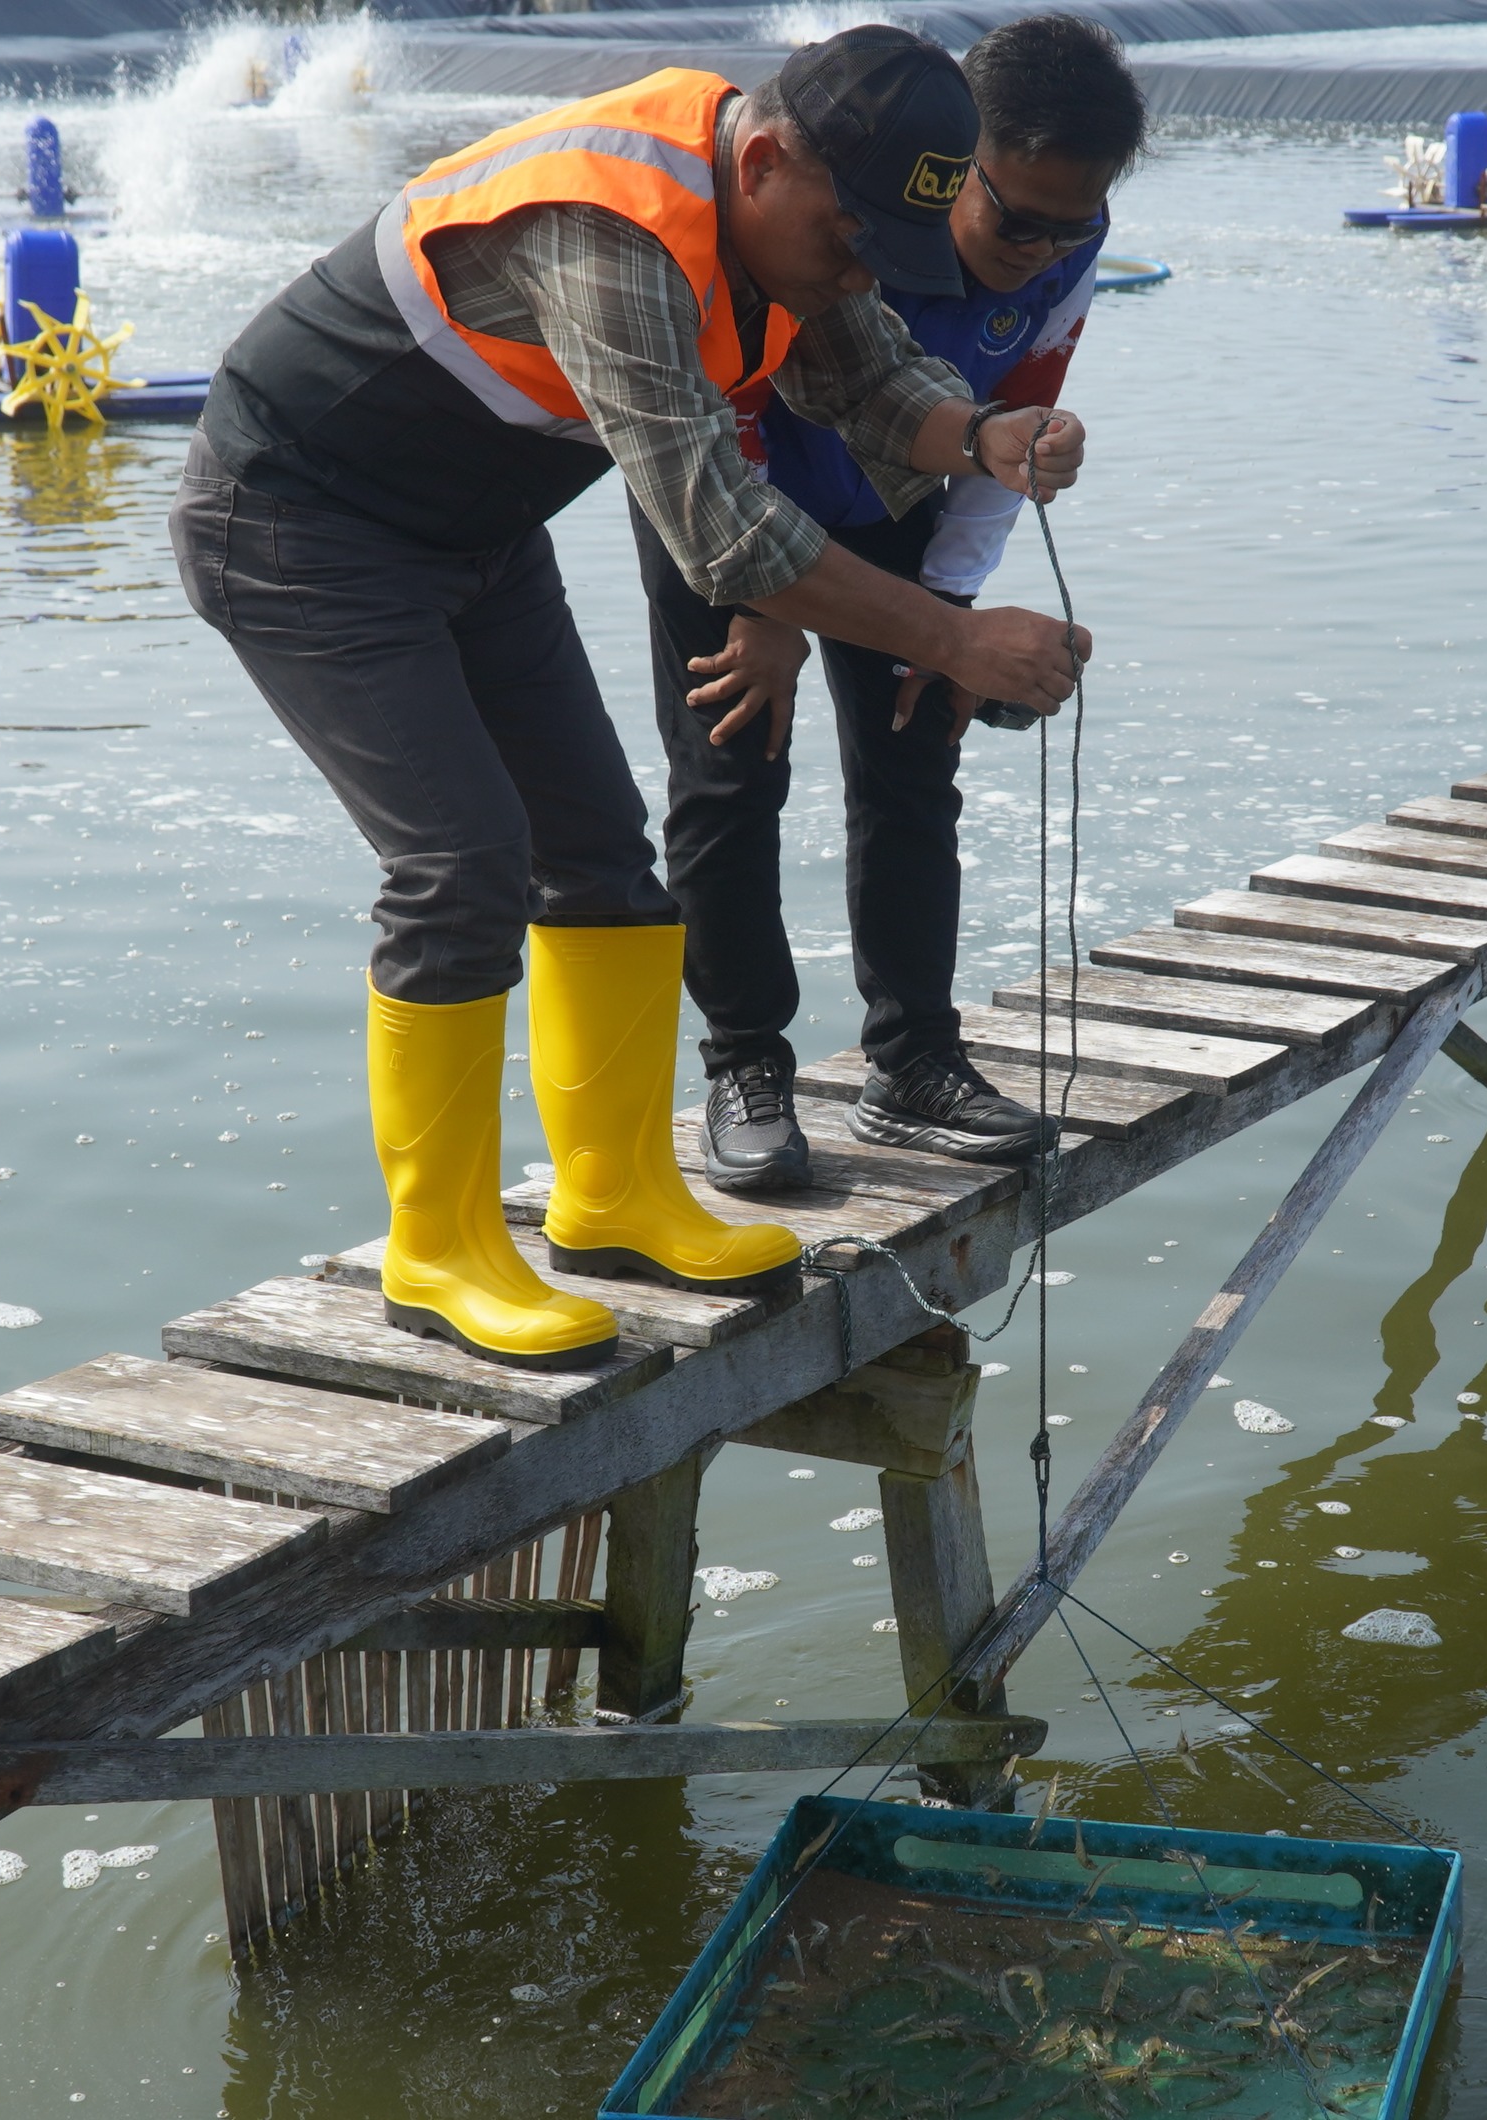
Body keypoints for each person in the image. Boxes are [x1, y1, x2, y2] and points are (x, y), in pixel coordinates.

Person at [169, 29, 1094, 1370]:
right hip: (298, 521)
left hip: (472, 529)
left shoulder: (792, 204)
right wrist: (951, 640)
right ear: (769, 162)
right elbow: (725, 535)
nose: (855, 275)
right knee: (462, 864)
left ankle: (611, 1197)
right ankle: (440, 1250)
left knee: (601, 860)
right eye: (849, 242)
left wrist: (980, 435)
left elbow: (865, 372)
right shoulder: (615, 237)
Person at [635, 15, 1148, 1193]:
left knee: (917, 754)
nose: (1038, 248)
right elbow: (727, 403)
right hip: (722, 478)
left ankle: (913, 1060)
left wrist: (950, 618)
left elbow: (1008, 420)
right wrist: (764, 609)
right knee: (732, 760)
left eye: (1070, 226)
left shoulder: (1068, 240)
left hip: (907, 485)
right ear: (948, 165)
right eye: (1012, 217)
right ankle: (744, 1065)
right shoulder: (846, 213)